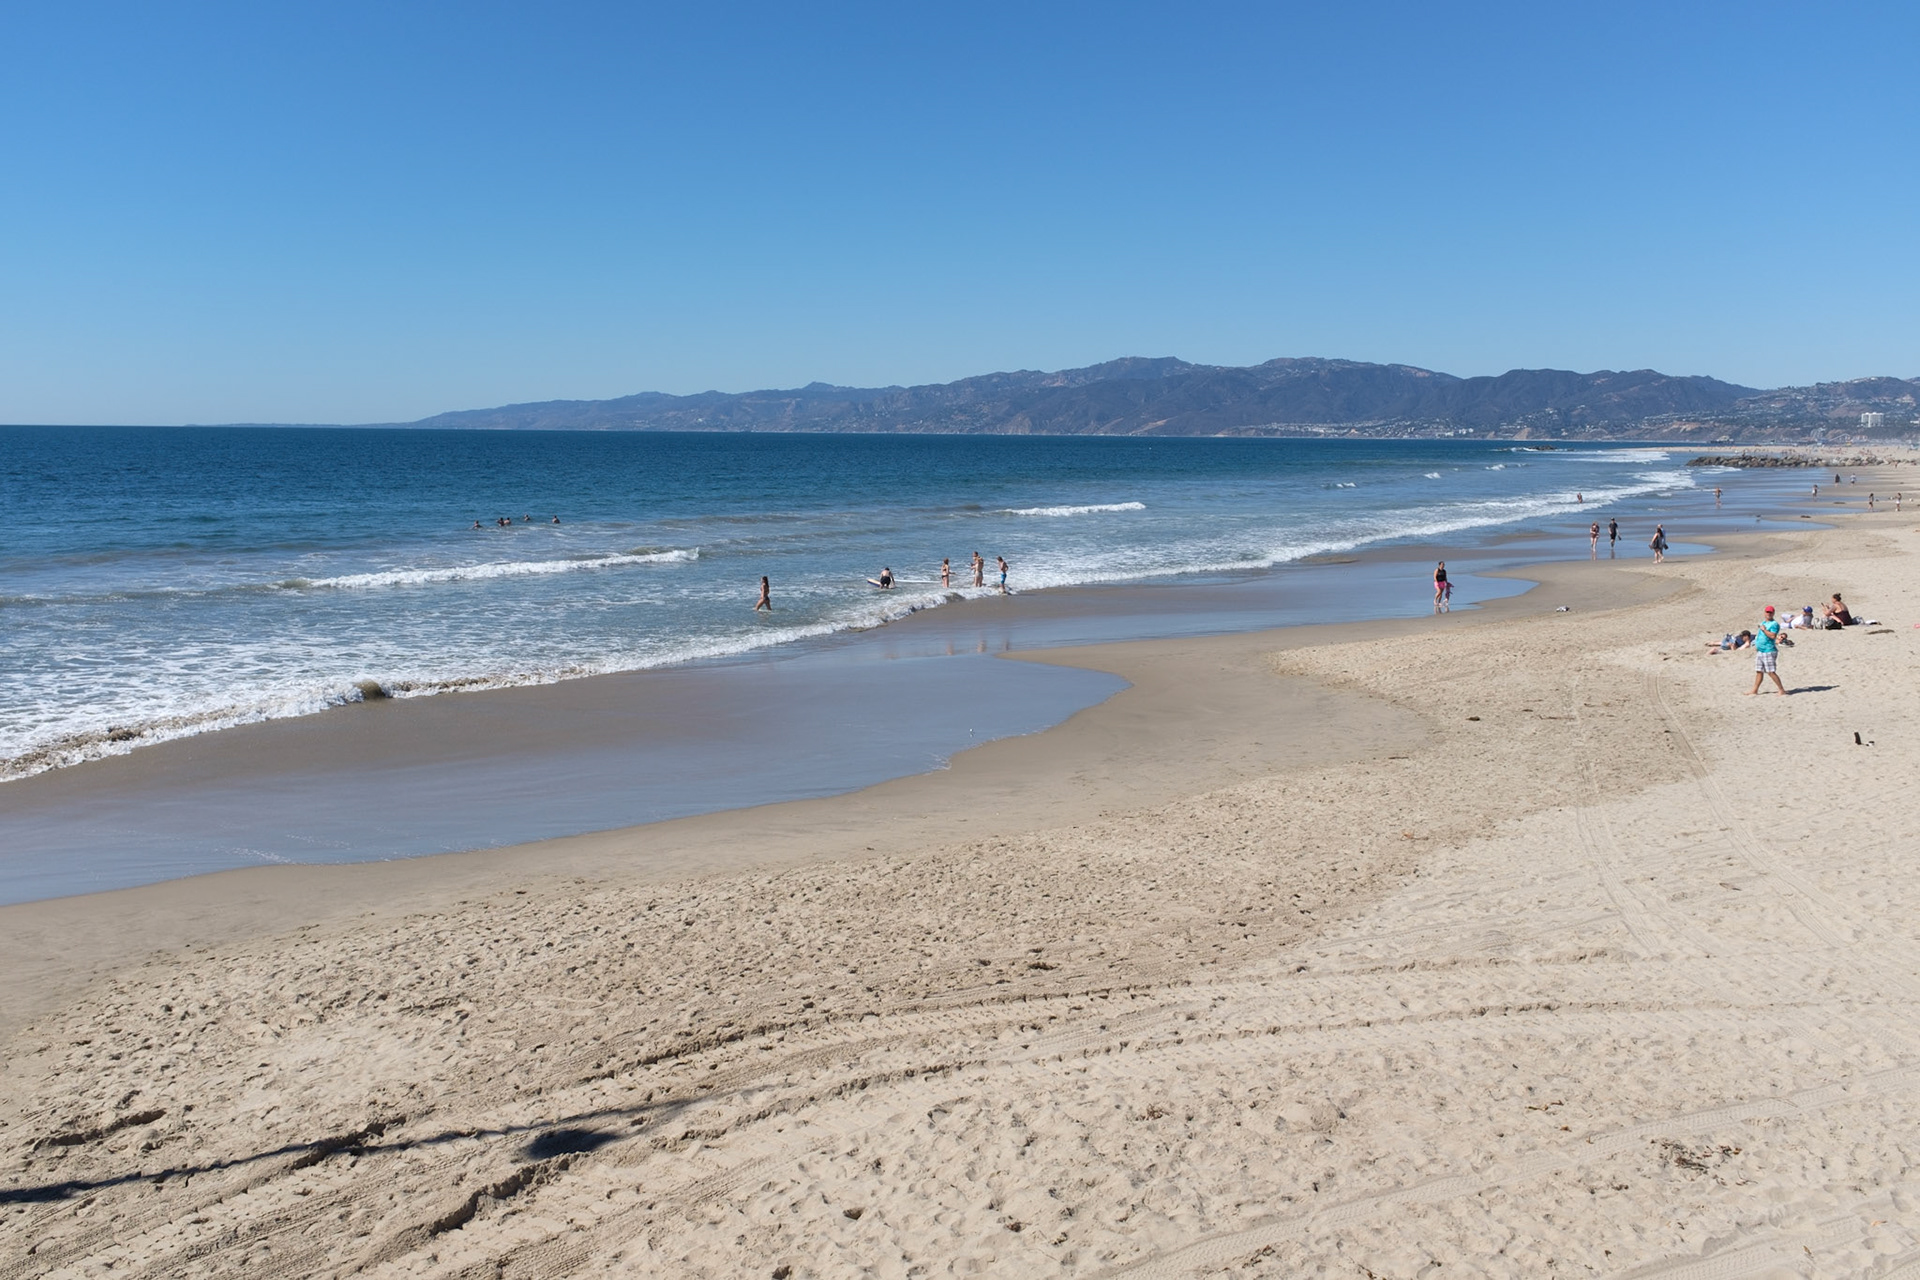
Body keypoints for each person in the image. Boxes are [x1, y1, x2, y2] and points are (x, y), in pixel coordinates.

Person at [1748, 606, 1788, 696]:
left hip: (1769, 650)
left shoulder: (1774, 624)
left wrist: (1764, 630)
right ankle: (1755, 690)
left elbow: (1773, 636)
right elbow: (1760, 635)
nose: (1768, 614)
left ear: (1773, 613)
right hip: (1760, 651)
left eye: (1770, 612)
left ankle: (1781, 689)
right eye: (1767, 612)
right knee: (1759, 671)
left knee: (1770, 671)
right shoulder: (1763, 622)